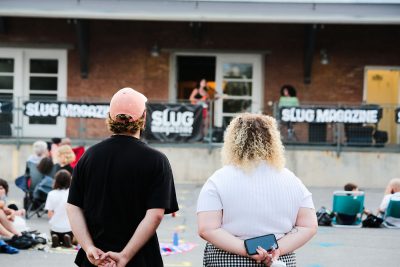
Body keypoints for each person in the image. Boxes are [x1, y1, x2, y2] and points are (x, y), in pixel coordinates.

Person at [66, 87, 179, 267]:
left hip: (96, 260)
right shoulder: (157, 160)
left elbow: (73, 207)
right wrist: (125, 255)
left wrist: (88, 247)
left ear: (110, 118)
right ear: (143, 118)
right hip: (140, 259)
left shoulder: (89, 156)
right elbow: (155, 215)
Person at [197, 113, 317, 267]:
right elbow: (309, 226)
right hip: (279, 261)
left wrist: (248, 250)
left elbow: (207, 229)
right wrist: (277, 250)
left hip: (228, 259)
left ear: (232, 141)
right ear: (273, 140)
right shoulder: (292, 180)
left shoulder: (218, 180)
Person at [44, 170, 73, 248]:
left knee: (55, 230)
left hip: (55, 228)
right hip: (69, 228)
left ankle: (55, 237)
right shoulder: (71, 193)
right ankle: (68, 238)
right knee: (71, 234)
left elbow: (50, 214)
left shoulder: (51, 194)